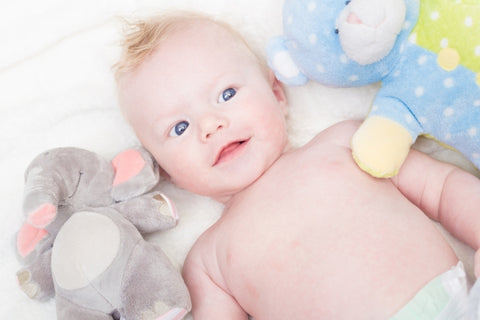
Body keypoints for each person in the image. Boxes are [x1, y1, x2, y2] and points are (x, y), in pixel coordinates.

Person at [115, 11, 480, 320]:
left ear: (277, 94)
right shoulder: (207, 263)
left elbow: (442, 187)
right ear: (165, 171)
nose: (211, 126)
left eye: (226, 94)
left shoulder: (348, 143)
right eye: (179, 128)